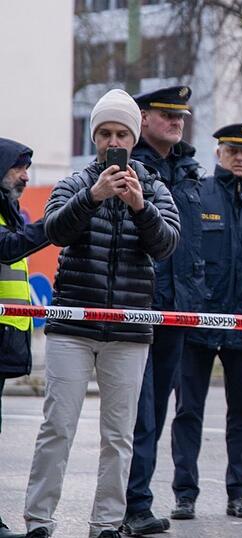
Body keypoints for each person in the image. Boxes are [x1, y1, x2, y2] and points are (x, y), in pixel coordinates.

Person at [23, 88, 180, 538]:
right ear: (95, 138)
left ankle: (107, 522)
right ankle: (38, 520)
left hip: (129, 331)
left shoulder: (154, 188)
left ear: (134, 139)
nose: (114, 141)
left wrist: (139, 206)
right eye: (105, 133)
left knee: (119, 434)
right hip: (72, 325)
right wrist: (92, 196)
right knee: (57, 426)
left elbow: (167, 245)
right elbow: (54, 230)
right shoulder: (74, 183)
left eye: (122, 134)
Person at [168, 123, 242, 520]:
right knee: (188, 412)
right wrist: (185, 306)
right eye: (232, 150)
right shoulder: (195, 195)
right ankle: (184, 493)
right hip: (198, 324)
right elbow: (178, 257)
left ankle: (241, 493)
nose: (240, 157)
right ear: (218, 152)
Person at [124, 84, 204, 536]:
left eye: (181, 115)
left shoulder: (190, 171)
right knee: (139, 417)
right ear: (143, 118)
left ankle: (134, 500)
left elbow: (192, 247)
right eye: (167, 114)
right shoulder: (130, 167)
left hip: (176, 310)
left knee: (154, 415)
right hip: (137, 306)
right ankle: (133, 505)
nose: (177, 121)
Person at [0, 139, 50, 538]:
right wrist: (56, 224)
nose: (26, 176)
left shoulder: (10, 212)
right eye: (19, 168)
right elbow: (8, 250)